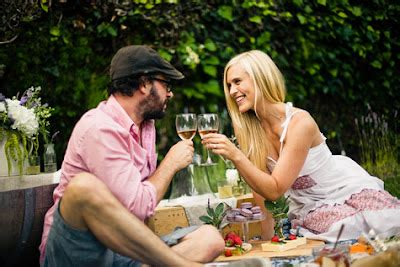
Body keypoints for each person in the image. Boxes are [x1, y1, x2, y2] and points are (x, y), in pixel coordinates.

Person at [39, 45, 224, 266]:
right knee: (83, 188)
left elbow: (140, 212)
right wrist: (170, 164)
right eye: (166, 84)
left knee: (210, 238)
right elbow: (137, 207)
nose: (170, 93)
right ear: (144, 83)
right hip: (78, 251)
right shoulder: (100, 128)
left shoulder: (145, 127)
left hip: (122, 252)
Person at [202, 50, 400, 242]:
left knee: (344, 228)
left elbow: (275, 189)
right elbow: (260, 189)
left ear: (260, 78)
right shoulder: (250, 129)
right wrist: (267, 237)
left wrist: (236, 157)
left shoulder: (299, 123)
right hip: (306, 207)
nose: (232, 91)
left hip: (339, 192)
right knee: (311, 230)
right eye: (228, 85)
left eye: (237, 82)